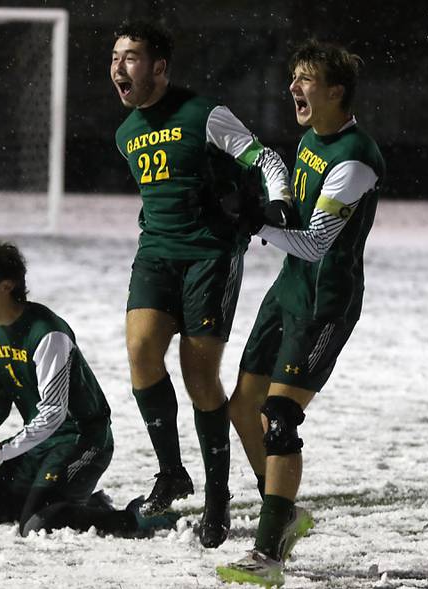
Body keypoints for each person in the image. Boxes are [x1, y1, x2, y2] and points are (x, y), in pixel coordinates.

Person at [110, 21, 292, 549]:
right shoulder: (126, 134)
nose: (120, 67)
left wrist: (275, 199)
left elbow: (265, 158)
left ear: (160, 67)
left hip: (209, 257)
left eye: (132, 57)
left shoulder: (204, 114)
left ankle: (218, 495)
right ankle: (172, 472)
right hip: (156, 254)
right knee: (142, 352)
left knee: (199, 378)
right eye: (115, 57)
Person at [216, 39, 385, 587]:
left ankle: (267, 553)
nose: (293, 87)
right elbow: (293, 196)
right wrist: (276, 199)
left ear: (337, 92)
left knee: (281, 417)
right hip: (288, 292)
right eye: (293, 77)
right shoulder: (317, 134)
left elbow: (314, 244)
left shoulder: (356, 159)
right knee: (243, 406)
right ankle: (283, 510)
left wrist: (253, 223)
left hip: (324, 306)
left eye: (305, 79)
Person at [0, 239, 175, 538]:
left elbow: (54, 413)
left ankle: (138, 519)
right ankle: (84, 504)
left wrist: (4, 450)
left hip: (83, 440)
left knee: (40, 525)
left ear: (7, 284)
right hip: (40, 443)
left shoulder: (47, 332)